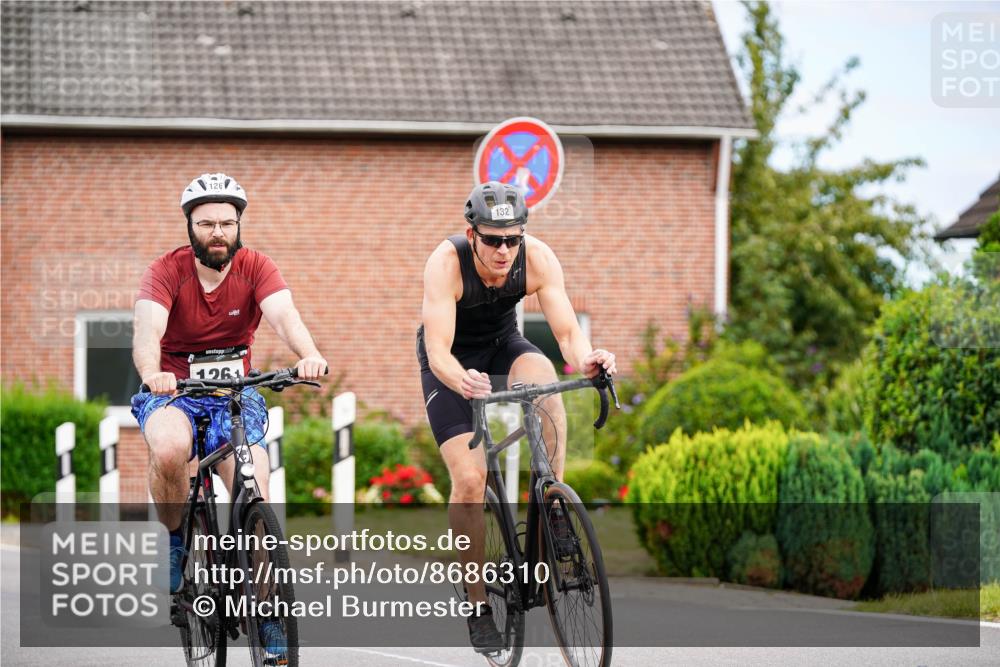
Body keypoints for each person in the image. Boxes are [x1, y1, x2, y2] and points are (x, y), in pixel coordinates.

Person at [131, 172, 327, 657]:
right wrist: (154, 373)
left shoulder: (257, 267)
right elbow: (146, 332)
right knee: (171, 448)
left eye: (226, 223)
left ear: (238, 225)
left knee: (253, 485)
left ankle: (268, 613)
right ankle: (177, 539)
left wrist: (308, 354)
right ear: (190, 227)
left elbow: (284, 316)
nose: (217, 232)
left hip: (233, 393)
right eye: (206, 224)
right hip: (174, 391)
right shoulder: (166, 271)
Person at [417, 180, 617, 654]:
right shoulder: (446, 263)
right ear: (473, 235)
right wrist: (461, 379)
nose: (504, 250)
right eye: (492, 240)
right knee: (471, 478)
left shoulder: (538, 259)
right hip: (452, 361)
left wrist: (588, 359)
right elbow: (438, 350)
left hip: (504, 346)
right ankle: (477, 603)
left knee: (547, 385)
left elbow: (567, 333)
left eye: (512, 239)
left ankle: (554, 507)